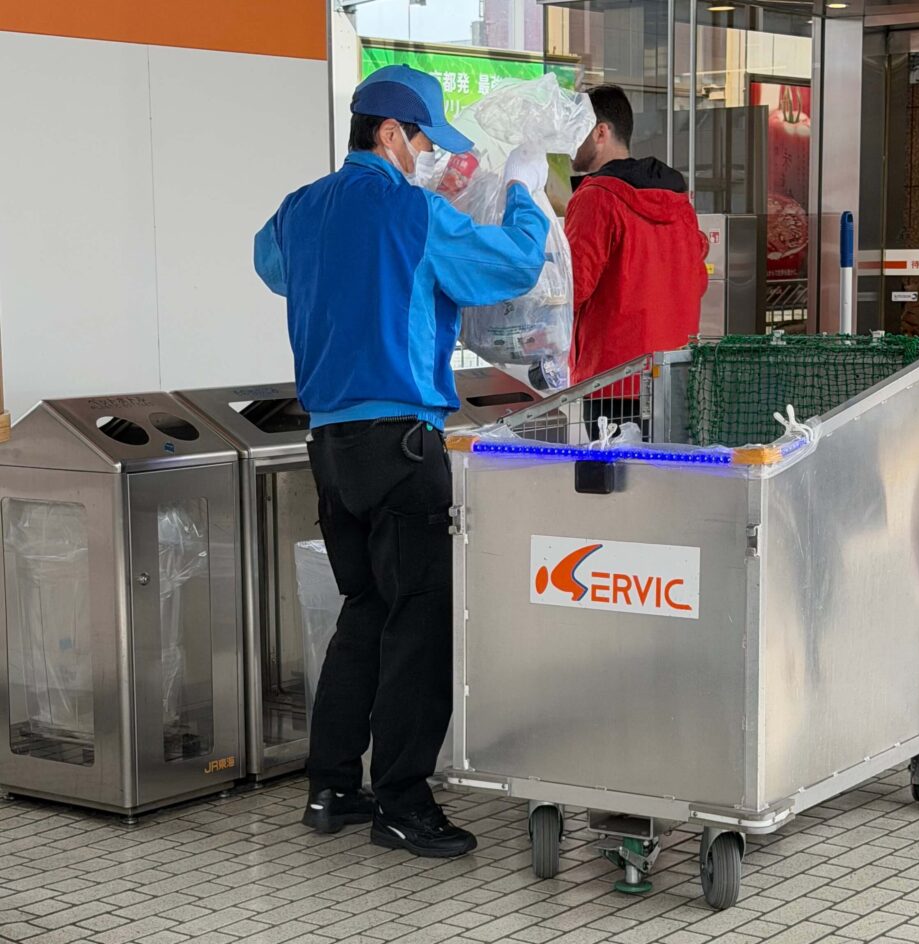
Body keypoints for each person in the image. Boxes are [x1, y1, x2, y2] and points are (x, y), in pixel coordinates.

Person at [253, 65, 549, 858]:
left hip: (328, 446)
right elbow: (517, 266)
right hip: (402, 442)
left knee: (364, 610)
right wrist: (522, 191)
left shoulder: (297, 211)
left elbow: (270, 268)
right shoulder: (413, 211)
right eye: (423, 140)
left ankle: (332, 787)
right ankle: (404, 803)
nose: (427, 155)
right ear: (390, 133)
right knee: (418, 621)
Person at [566, 85, 708, 437]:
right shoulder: (677, 201)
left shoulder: (596, 198)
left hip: (613, 380)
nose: (567, 142)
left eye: (574, 129)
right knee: (667, 483)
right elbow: (697, 279)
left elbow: (573, 287)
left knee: (618, 488)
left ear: (601, 131)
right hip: (673, 374)